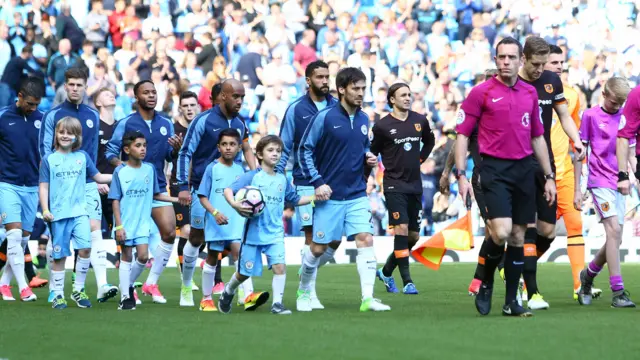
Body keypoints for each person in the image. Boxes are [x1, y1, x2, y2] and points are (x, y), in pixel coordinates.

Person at [455, 37, 555, 317]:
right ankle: (486, 280)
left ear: (520, 60)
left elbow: (537, 136)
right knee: (500, 232)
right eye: (502, 57)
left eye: (512, 57)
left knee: (519, 236)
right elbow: (462, 135)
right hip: (494, 169)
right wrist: (461, 175)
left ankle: (511, 302)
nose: (507, 62)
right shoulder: (481, 92)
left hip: (524, 170)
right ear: (496, 59)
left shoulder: (529, 94)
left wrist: (548, 176)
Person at [297, 67, 391, 312]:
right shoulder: (325, 117)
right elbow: (304, 150)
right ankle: (303, 290)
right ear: (341, 89)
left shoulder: (363, 118)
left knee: (366, 238)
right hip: (330, 196)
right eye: (355, 89)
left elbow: (362, 148)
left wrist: (368, 158)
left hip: (357, 193)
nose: (361, 93)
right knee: (318, 249)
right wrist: (317, 182)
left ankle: (368, 298)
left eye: (363, 88)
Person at [513, 36, 585, 310]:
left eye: (546, 64)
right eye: (537, 64)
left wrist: (576, 140)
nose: (541, 69)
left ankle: (513, 268)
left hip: (545, 165)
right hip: (517, 162)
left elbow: (564, 115)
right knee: (527, 228)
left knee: (547, 230)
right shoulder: (513, 83)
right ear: (523, 59)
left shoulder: (551, 82)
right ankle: (532, 292)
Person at [176, 79, 258, 307]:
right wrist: (183, 185)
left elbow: (248, 149)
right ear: (223, 96)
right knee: (197, 238)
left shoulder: (241, 123)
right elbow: (185, 153)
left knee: (237, 240)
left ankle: (244, 294)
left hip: (232, 190)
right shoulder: (203, 120)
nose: (240, 101)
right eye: (235, 97)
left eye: (242, 97)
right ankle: (186, 285)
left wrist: (257, 177)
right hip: (203, 190)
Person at [40, 67, 118, 304]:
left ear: (86, 87)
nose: (75, 89)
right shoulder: (52, 115)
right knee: (61, 244)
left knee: (92, 231)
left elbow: (90, 152)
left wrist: (97, 179)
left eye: (79, 85)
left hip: (86, 183)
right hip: (62, 184)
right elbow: (45, 151)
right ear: (65, 86)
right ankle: (57, 290)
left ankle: (83, 287)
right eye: (71, 85)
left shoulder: (92, 115)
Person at [218, 135, 319, 315]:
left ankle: (277, 304)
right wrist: (234, 204)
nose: (275, 154)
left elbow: (294, 199)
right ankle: (229, 290)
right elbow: (228, 190)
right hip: (253, 234)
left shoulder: (282, 179)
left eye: (278, 151)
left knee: (280, 268)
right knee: (244, 274)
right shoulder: (252, 176)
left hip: (275, 233)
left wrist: (314, 197)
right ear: (259, 154)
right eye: (270, 150)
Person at [106, 80, 182, 304]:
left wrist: (175, 151)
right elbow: (110, 151)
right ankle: (127, 290)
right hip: (132, 192)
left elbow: (169, 155)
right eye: (146, 92)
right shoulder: (127, 122)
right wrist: (123, 169)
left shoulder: (166, 123)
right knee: (132, 249)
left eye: (154, 92)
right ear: (136, 97)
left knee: (169, 233)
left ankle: (149, 283)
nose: (151, 96)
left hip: (157, 186)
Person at [276, 60, 337, 309]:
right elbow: (284, 145)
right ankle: (308, 292)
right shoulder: (296, 110)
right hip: (305, 180)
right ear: (308, 80)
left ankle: (305, 272)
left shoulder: (338, 107)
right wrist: (277, 177)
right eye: (320, 77)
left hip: (335, 180)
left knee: (333, 240)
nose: (325, 81)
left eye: (327, 77)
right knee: (312, 236)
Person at [544, 45, 601, 299]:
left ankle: (580, 285)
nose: (559, 66)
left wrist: (579, 184)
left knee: (575, 224)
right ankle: (516, 276)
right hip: (536, 173)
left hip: (564, 171)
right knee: (536, 232)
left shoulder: (572, 95)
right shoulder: (528, 92)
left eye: (561, 62)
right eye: (553, 62)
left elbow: (575, 139)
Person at [575, 77, 635, 308]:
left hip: (620, 182)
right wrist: (578, 188)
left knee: (615, 236)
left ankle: (588, 276)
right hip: (599, 181)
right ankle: (618, 292)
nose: (616, 106)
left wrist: (633, 176)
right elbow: (581, 151)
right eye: (613, 102)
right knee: (613, 229)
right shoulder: (590, 116)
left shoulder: (626, 118)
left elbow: (630, 152)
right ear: (604, 93)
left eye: (620, 103)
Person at [371, 82, 434, 294]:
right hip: (393, 184)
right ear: (392, 100)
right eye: (403, 95)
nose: (408, 98)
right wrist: (366, 177)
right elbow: (372, 153)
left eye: (409, 94)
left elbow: (430, 141)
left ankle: (386, 271)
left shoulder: (419, 120)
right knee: (401, 229)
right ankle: (408, 281)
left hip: (414, 185)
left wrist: (420, 159)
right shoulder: (382, 126)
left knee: (413, 237)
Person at [440, 69, 497, 296]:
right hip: (483, 179)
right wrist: (448, 172)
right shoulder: (475, 109)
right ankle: (483, 278)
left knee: (510, 231)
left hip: (512, 176)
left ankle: (489, 275)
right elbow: (458, 143)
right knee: (494, 230)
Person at [110, 132, 179, 310]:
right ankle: (125, 297)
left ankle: (128, 284)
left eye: (144, 146)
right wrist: (119, 225)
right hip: (125, 222)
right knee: (126, 256)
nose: (142, 149)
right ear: (127, 149)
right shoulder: (120, 171)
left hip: (142, 222)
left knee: (142, 256)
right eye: (138, 145)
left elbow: (155, 195)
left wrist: (176, 200)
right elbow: (115, 199)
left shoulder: (149, 169)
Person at [0, 76, 45, 302]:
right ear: (19, 96)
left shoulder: (43, 119)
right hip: (7, 184)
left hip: (32, 187)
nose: (33, 108)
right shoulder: (3, 117)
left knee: (22, 240)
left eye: (37, 104)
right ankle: (24, 287)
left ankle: (3, 284)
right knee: (14, 234)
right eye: (30, 103)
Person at [195, 129, 246, 311]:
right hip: (216, 221)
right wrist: (215, 213)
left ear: (239, 147)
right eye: (224, 144)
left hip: (236, 221)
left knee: (240, 254)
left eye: (232, 144)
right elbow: (202, 196)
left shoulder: (241, 170)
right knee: (212, 258)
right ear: (218, 147)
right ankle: (206, 298)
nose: (228, 148)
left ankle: (246, 295)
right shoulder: (212, 168)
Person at [171, 91, 200, 291]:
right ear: (180, 108)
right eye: (186, 105)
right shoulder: (174, 129)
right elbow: (168, 157)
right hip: (178, 185)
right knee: (187, 231)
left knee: (200, 232)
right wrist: (177, 150)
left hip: (199, 185)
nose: (189, 109)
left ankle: (189, 263)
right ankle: (184, 274)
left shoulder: (201, 127)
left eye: (192, 105)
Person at [94, 88, 120, 267]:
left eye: (112, 93)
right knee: (91, 230)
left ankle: (123, 264)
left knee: (119, 224)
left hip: (117, 184)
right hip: (96, 184)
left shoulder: (121, 126)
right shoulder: (94, 125)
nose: (111, 94)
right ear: (98, 103)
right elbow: (87, 155)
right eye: (105, 94)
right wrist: (96, 181)